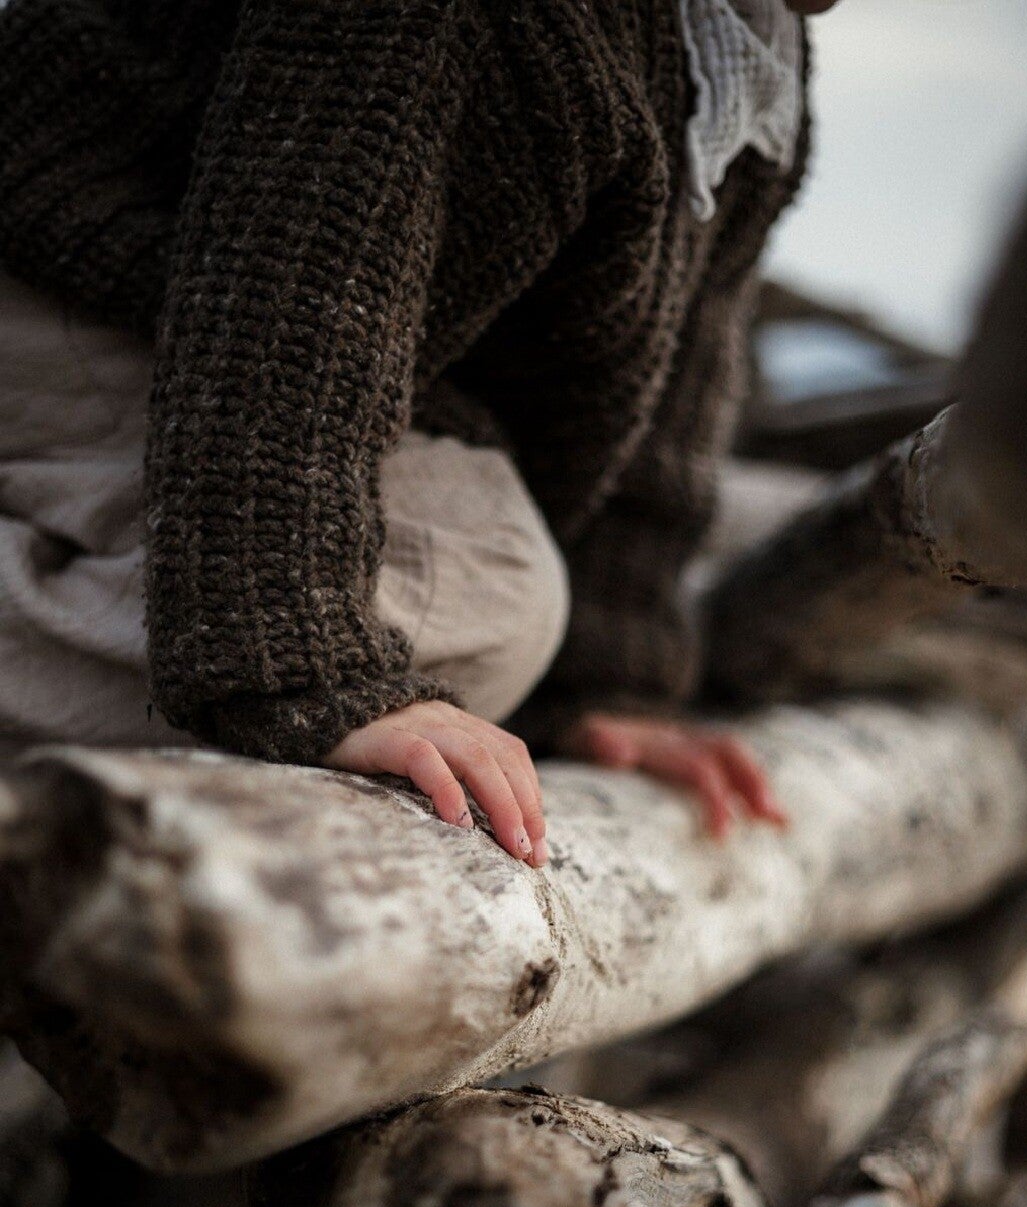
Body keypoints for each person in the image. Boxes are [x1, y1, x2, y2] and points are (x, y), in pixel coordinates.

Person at [0, 0, 835, 867]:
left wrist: (606, 670)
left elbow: (672, 380)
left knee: (487, 597)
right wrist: (306, 666)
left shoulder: (757, 56)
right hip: (63, 261)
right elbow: (293, 284)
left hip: (218, 328)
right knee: (476, 595)